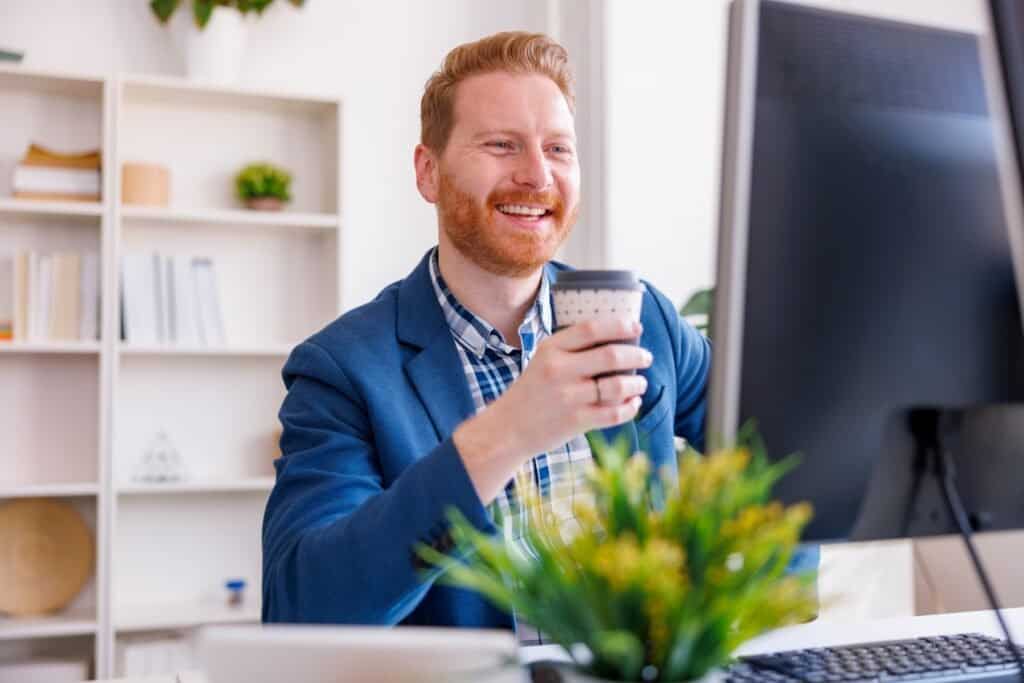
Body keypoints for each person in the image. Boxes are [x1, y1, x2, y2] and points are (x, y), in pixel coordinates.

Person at [261, 31, 710, 629]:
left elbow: (777, 447)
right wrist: (505, 434)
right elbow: (304, 607)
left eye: (557, 148)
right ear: (429, 172)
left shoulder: (644, 316)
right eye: (502, 145)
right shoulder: (343, 370)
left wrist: (750, 619)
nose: (536, 175)